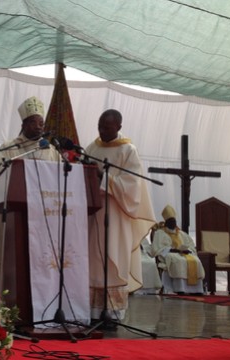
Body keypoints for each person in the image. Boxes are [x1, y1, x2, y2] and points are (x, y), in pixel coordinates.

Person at [85, 109, 156, 320]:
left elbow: (132, 186)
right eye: (99, 126)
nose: (102, 131)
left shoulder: (128, 150)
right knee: (95, 260)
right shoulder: (92, 147)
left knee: (113, 257)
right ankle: (93, 312)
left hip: (117, 214)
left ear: (118, 127)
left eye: (106, 127)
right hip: (94, 215)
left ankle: (113, 313)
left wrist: (104, 178)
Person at [0, 96, 60, 288]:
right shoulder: (9, 148)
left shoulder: (50, 151)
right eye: (33, 122)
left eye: (41, 123)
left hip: (42, 218)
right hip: (13, 217)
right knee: (10, 259)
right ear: (24, 124)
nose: (38, 127)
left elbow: (59, 181)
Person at [151, 205, 205, 294]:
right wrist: (173, 250)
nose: (173, 223)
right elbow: (156, 249)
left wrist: (187, 250)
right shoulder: (159, 233)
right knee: (178, 260)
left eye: (174, 221)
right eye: (171, 221)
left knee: (196, 260)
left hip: (184, 253)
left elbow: (191, 246)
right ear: (166, 222)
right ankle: (180, 288)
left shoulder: (182, 233)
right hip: (170, 254)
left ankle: (196, 289)